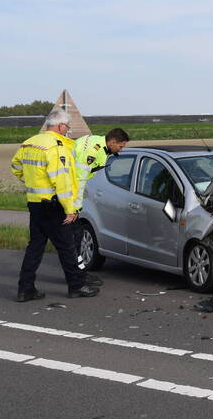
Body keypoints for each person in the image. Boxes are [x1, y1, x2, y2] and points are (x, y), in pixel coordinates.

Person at [11, 109, 99, 302]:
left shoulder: (29, 142)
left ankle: (25, 289)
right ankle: (76, 286)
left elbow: (15, 166)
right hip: (53, 205)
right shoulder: (57, 147)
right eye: (67, 127)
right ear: (60, 126)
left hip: (35, 203)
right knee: (67, 246)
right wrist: (70, 209)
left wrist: (31, 181)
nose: (67, 131)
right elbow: (62, 181)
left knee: (35, 247)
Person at [70, 127, 130, 283]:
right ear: (112, 141)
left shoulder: (100, 145)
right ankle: (76, 277)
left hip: (68, 191)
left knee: (72, 239)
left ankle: (77, 274)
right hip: (68, 193)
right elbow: (79, 179)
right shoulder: (94, 150)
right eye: (120, 146)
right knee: (73, 239)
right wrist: (75, 207)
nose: (121, 150)